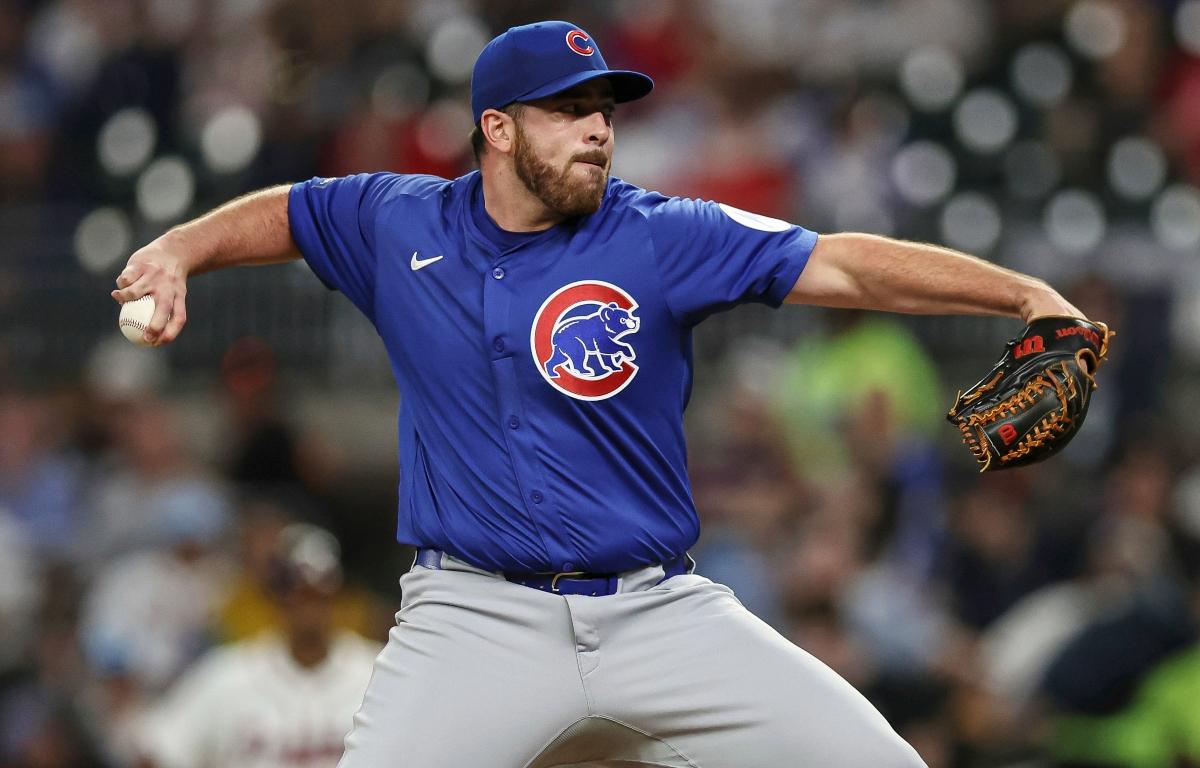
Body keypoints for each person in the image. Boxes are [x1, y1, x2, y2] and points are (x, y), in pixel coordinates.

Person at [111, 19, 1088, 768]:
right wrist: (176, 250)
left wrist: (1021, 294)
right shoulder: (393, 219)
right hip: (473, 619)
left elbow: (842, 266)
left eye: (605, 112)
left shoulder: (657, 233)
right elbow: (285, 211)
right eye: (567, 110)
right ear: (496, 128)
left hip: (661, 612)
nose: (596, 132)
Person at [135, 523, 380, 768]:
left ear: (336, 593)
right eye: (299, 590)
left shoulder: (378, 671)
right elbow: (157, 751)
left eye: (319, 591)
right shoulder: (228, 674)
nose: (309, 604)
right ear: (278, 594)